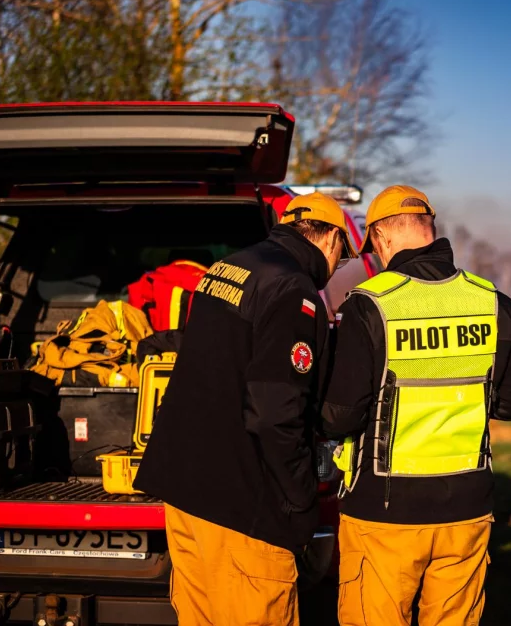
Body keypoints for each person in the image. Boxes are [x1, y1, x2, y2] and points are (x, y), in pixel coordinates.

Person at [133, 192, 358, 626]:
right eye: (343, 255)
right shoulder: (294, 288)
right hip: (242, 510)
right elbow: (275, 411)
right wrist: (299, 496)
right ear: (330, 239)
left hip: (185, 497)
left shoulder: (229, 268)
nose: (338, 267)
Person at [321, 185, 511, 626]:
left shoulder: (369, 305)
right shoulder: (494, 303)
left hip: (383, 513)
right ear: (430, 230)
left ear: (380, 239)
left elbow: (340, 414)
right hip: (467, 510)